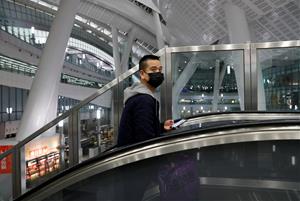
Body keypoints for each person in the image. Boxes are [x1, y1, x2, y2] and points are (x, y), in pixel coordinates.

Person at [118, 55, 173, 147]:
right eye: (153, 69)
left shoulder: (139, 96)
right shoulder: (143, 100)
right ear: (142, 74)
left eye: (160, 69)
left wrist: (161, 127)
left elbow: (141, 128)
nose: (158, 73)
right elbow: (145, 140)